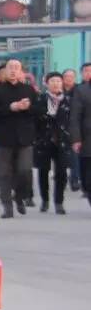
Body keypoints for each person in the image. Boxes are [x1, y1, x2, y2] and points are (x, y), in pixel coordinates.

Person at [0, 59, 41, 218]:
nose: (13, 70)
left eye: (16, 68)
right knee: (3, 173)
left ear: (21, 71)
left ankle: (20, 197)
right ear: (4, 71)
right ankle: (7, 206)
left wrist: (27, 107)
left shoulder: (29, 90)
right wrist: (11, 107)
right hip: (4, 136)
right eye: (10, 68)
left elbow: (39, 110)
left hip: (25, 137)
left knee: (25, 170)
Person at [35, 71, 73, 214]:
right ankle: (45, 200)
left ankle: (59, 202)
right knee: (43, 171)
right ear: (47, 84)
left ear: (62, 83)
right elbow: (34, 119)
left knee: (62, 172)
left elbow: (73, 120)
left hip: (62, 141)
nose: (56, 84)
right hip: (44, 140)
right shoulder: (40, 99)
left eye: (58, 81)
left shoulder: (68, 100)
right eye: (53, 81)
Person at [71, 63, 91, 207]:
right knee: (87, 176)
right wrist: (76, 139)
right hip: (87, 138)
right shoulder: (81, 90)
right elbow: (75, 116)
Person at [63, 69, 81, 190]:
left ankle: (75, 179)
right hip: (61, 127)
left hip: (76, 127)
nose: (69, 78)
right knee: (62, 156)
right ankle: (62, 178)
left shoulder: (79, 90)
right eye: (66, 76)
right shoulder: (58, 90)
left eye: (71, 76)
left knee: (75, 154)